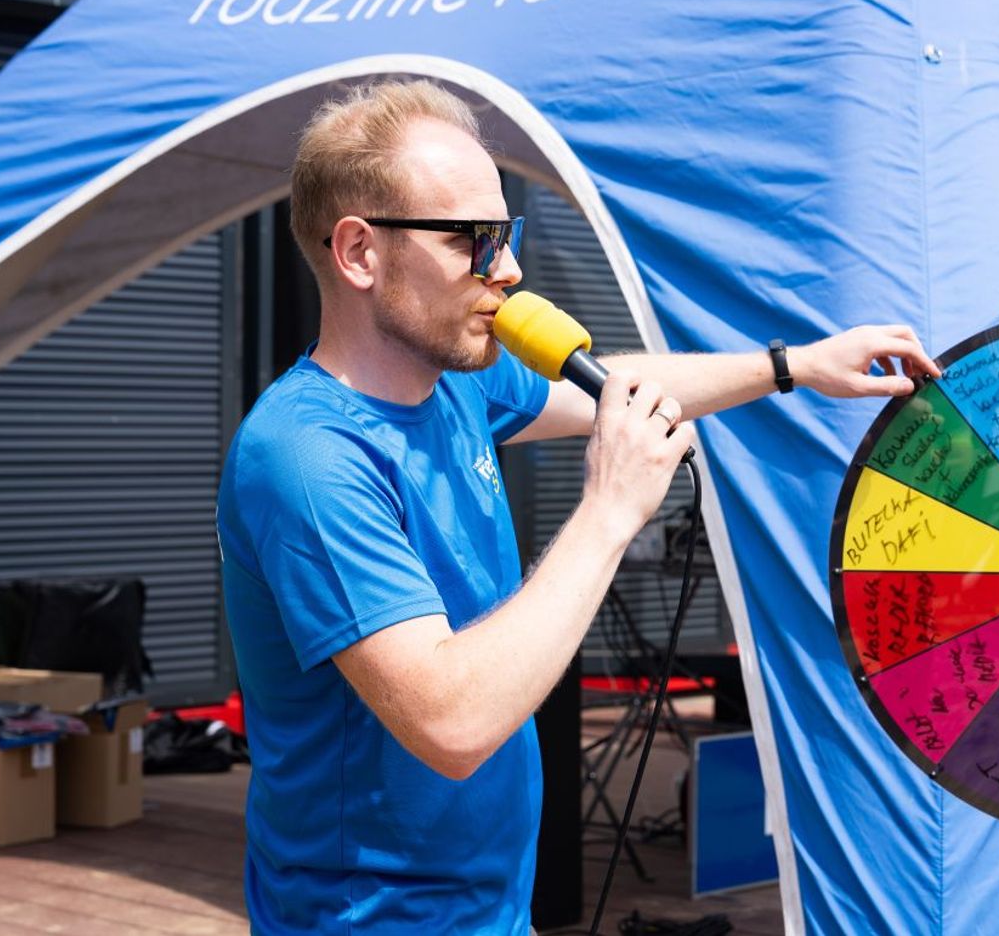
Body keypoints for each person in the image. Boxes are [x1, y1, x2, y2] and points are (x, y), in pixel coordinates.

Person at [216, 78, 940, 935]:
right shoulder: (307, 457)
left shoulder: (454, 384)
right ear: (359, 253)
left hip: (491, 911)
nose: (508, 269)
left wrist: (793, 366)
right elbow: (452, 722)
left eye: (507, 235)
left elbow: (615, 385)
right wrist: (607, 511)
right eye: (472, 241)